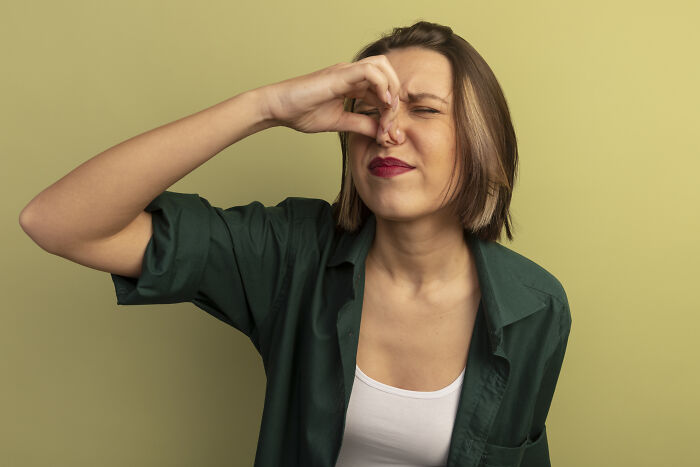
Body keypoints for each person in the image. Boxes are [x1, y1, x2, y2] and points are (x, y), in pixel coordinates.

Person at [19, 20, 571, 467]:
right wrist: (266, 107)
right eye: (370, 109)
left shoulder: (536, 306)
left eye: (423, 109)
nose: (386, 130)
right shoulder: (291, 253)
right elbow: (58, 222)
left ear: (483, 143)